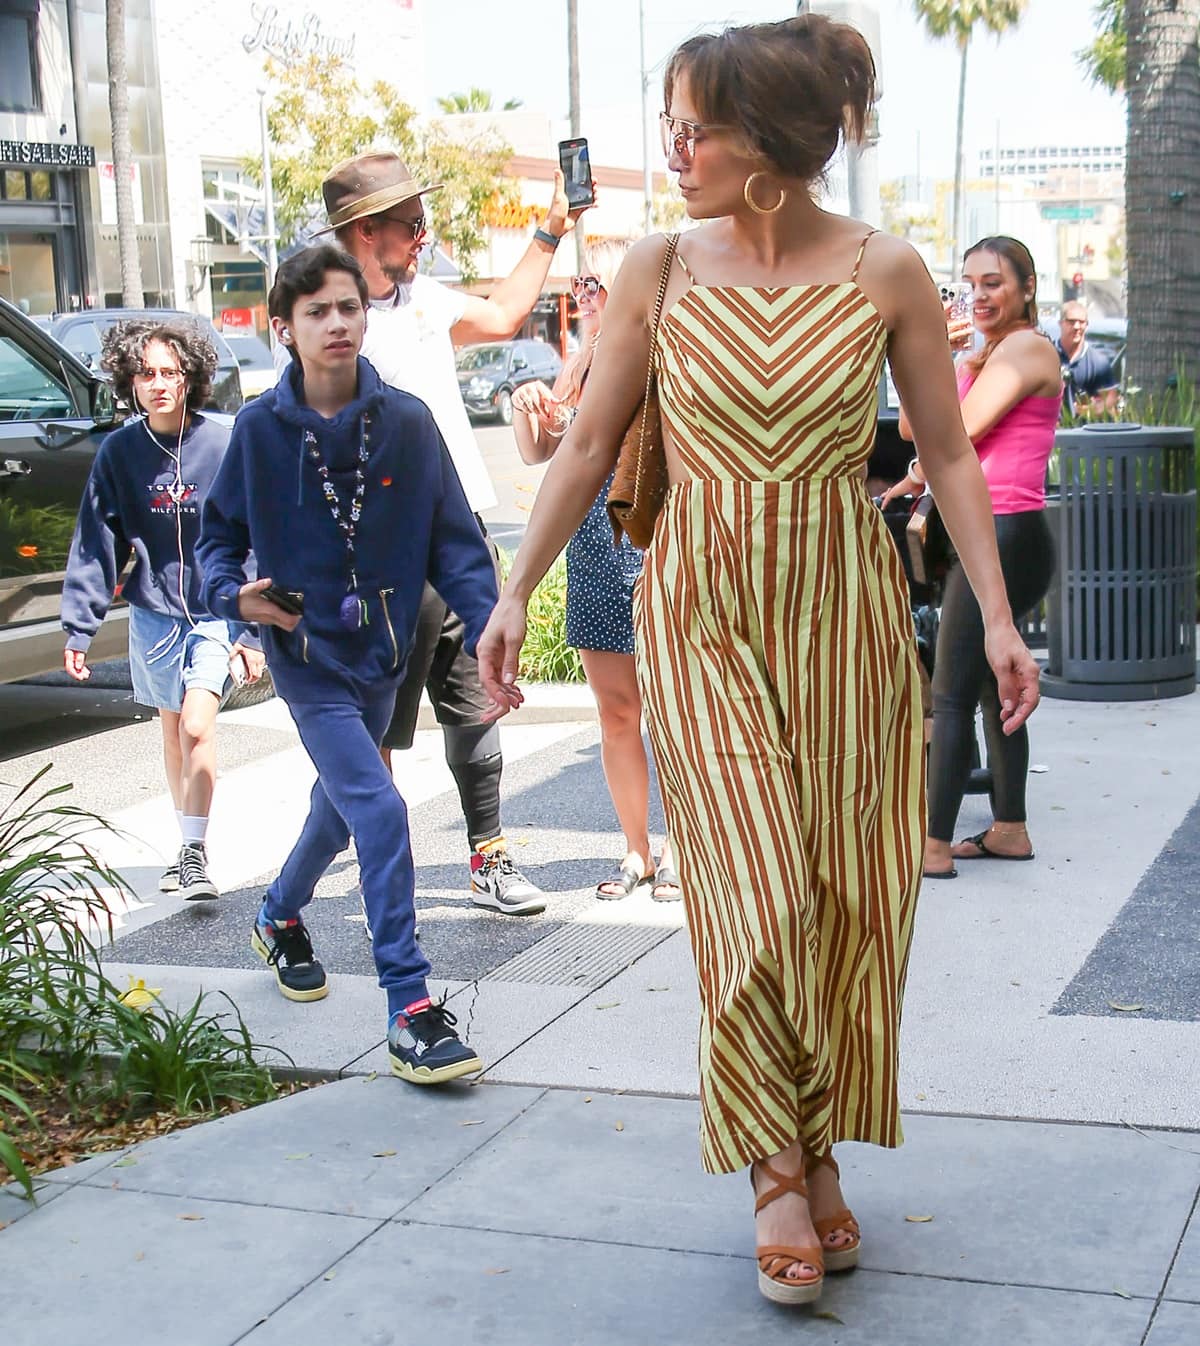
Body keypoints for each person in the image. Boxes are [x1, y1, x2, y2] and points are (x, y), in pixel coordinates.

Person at [474, 14, 1040, 1308]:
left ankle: (820, 1140)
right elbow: (586, 442)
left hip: (844, 602)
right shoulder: (658, 266)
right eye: (671, 120)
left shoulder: (887, 270)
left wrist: (998, 620)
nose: (674, 146)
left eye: (699, 124)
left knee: (843, 899)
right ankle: (774, 1163)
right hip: (703, 608)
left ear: (777, 143)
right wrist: (518, 592)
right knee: (752, 894)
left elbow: (949, 456)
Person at [197, 245, 498, 1085]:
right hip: (306, 655)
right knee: (379, 807)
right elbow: (217, 543)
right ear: (282, 329)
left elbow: (456, 545)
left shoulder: (405, 420)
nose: (337, 324)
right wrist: (237, 598)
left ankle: (278, 913)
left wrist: (487, 628)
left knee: (339, 807)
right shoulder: (257, 431)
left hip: (387, 652)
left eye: (348, 308)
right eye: (317, 312)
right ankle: (410, 1005)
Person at [319, 150, 589, 917]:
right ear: (366, 231)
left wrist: (548, 230)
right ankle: (385, 863)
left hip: (459, 529)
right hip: (378, 548)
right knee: (378, 719)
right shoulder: (330, 319)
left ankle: (489, 858)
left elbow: (504, 315)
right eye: (410, 223)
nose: (423, 233)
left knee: (475, 696)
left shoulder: (422, 298)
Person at [61, 320, 263, 901]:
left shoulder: (222, 445)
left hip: (214, 610)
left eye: (170, 372)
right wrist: (80, 625)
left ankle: (195, 855)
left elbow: (251, 536)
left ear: (191, 378)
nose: (158, 384)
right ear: (130, 380)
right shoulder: (119, 454)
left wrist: (250, 632)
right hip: (152, 613)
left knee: (199, 723)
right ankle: (185, 843)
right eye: (146, 373)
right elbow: (97, 539)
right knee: (173, 729)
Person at [886, 237, 1061, 880]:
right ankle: (1009, 828)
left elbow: (956, 431)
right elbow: (913, 427)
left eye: (993, 283)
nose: (978, 296)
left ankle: (931, 848)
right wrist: (943, 358)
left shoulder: (1027, 348)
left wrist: (938, 355)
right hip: (987, 533)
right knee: (991, 686)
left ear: (1026, 287)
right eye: (969, 283)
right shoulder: (982, 355)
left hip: (1009, 533)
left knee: (950, 693)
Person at [510, 242, 680, 903]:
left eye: (594, 284)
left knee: (675, 718)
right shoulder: (579, 366)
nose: (584, 295)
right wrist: (530, 409)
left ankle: (681, 855)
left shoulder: (665, 356)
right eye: (579, 285)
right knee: (617, 714)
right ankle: (636, 850)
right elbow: (542, 452)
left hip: (660, 547)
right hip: (594, 554)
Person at [1055, 300, 1119, 415]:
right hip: (1050, 428)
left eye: (1081, 322)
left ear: (1087, 325)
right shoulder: (1046, 356)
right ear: (1060, 323)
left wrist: (1092, 410)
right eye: (1071, 321)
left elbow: (1111, 397)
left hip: (1084, 430)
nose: (1077, 326)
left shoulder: (1098, 362)